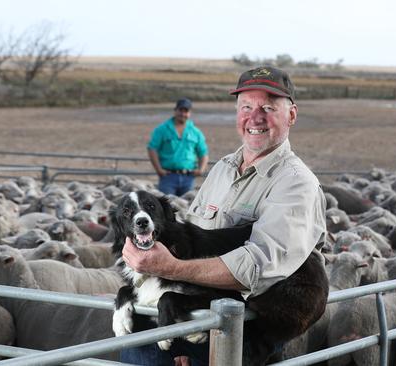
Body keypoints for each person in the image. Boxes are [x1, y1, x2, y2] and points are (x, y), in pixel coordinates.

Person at [122, 66, 328, 365]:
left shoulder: (296, 182)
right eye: (246, 106)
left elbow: (257, 267)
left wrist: (172, 269)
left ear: (291, 115)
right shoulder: (222, 169)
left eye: (269, 108)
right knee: (134, 339)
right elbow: (190, 236)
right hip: (199, 311)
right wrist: (142, 289)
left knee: (145, 351)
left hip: (247, 327)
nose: (255, 117)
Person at [148, 98, 209, 196]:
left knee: (187, 208)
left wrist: (201, 169)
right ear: (175, 110)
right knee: (167, 207)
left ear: (190, 113)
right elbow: (152, 148)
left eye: (186, 111)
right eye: (181, 110)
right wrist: (158, 169)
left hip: (188, 178)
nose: (183, 114)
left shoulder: (196, 132)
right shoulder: (162, 129)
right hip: (168, 177)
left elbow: (203, 152)